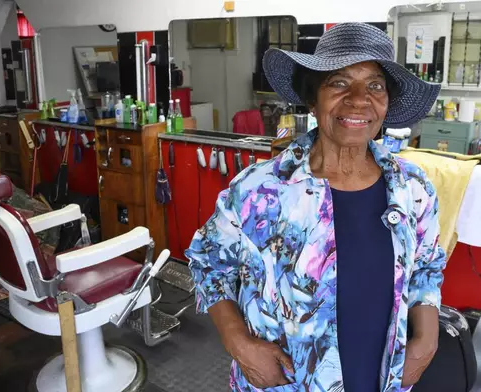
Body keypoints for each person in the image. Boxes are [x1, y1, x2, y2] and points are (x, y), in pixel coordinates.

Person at [186, 23, 446, 392]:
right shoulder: (260, 189)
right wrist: (239, 344)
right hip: (288, 382)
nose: (359, 99)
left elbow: (427, 266)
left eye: (375, 85)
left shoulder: (413, 189)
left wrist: (427, 340)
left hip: (381, 376)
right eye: (339, 82)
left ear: (387, 103)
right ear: (313, 98)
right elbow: (209, 263)